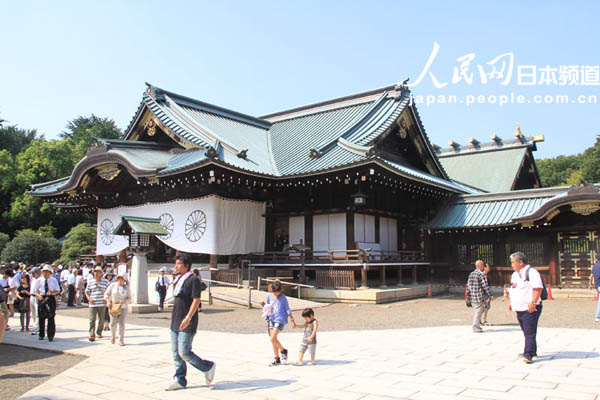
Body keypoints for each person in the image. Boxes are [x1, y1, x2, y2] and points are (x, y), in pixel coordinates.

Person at [166, 252, 215, 391]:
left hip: (188, 321)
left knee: (184, 352)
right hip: (176, 320)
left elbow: (196, 300)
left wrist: (188, 317)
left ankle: (207, 366)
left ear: (186, 266)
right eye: (175, 264)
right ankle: (179, 379)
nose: (176, 266)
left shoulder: (193, 279)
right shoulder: (178, 279)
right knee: (176, 353)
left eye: (179, 264)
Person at [508, 252, 544, 364]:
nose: (512, 265)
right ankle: (532, 350)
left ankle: (528, 354)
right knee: (526, 330)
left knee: (529, 331)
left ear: (520, 262)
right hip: (519, 307)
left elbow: (538, 288)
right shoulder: (515, 274)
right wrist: (511, 302)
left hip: (530, 307)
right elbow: (514, 288)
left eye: (513, 262)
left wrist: (533, 302)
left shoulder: (532, 273)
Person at [265, 280, 294, 366]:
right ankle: (277, 358)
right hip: (271, 318)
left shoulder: (283, 297)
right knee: (273, 340)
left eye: (279, 291)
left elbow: (287, 309)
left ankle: (283, 350)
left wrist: (292, 320)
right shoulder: (269, 296)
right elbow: (268, 306)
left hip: (280, 319)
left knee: (272, 338)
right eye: (276, 291)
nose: (278, 293)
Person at [33, 265, 60, 341]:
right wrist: (38, 296)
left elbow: (58, 290)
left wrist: (52, 292)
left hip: (50, 297)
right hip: (42, 297)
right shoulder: (39, 280)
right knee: (41, 316)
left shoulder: (53, 280)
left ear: (50, 272)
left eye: (47, 272)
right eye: (44, 272)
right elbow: (35, 291)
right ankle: (41, 334)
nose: (45, 273)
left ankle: (50, 335)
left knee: (51, 316)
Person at [104, 272, 131, 346]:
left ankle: (121, 339)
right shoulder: (113, 285)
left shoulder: (127, 287)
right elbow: (106, 294)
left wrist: (125, 301)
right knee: (113, 323)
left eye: (122, 279)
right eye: (119, 278)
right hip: (114, 306)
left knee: (121, 323)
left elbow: (130, 298)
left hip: (123, 307)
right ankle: (113, 336)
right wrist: (108, 301)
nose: (120, 280)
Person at [85, 266, 109, 342]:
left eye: (98, 271)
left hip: (102, 302)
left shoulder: (105, 281)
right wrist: (89, 298)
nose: (96, 273)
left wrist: (107, 299)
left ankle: (99, 332)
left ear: (101, 273)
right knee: (92, 319)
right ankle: (92, 334)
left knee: (101, 319)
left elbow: (108, 291)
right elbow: (87, 291)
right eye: (95, 271)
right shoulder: (91, 281)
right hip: (93, 302)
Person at [467, 260, 491, 333]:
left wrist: (468, 296)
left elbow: (468, 286)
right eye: (483, 265)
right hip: (480, 296)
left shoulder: (471, 274)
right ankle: (475, 327)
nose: (484, 267)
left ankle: (477, 324)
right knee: (478, 311)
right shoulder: (480, 274)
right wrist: (490, 294)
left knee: (483, 308)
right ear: (480, 266)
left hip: (474, 296)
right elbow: (485, 286)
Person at [29, 267, 41, 335]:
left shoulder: (40, 279)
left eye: (34, 273)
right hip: (32, 296)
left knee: (37, 312)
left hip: (37, 296)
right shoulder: (33, 279)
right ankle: (34, 324)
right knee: (33, 312)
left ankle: (36, 327)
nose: (33, 274)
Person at [590, 256, 600, 322]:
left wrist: (590, 283)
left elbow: (591, 276)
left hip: (597, 285)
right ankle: (597, 315)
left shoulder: (595, 266)